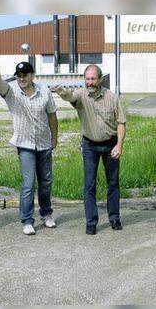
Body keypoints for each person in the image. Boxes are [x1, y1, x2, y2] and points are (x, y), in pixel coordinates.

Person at [0, 46, 58, 235]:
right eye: (18, 75)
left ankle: (46, 214)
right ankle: (27, 220)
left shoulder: (44, 92)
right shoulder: (12, 93)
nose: (22, 78)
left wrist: (55, 138)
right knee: (28, 183)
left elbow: (52, 116)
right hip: (24, 145)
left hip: (44, 144)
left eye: (25, 75)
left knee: (46, 182)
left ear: (32, 75)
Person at [52, 65, 126, 235]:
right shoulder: (80, 94)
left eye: (93, 79)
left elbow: (121, 122)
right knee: (89, 185)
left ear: (100, 79)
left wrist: (119, 145)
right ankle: (91, 222)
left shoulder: (112, 97)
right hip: (90, 145)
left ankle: (114, 218)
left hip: (111, 144)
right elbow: (69, 96)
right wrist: (61, 91)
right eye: (87, 79)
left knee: (113, 184)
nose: (90, 82)